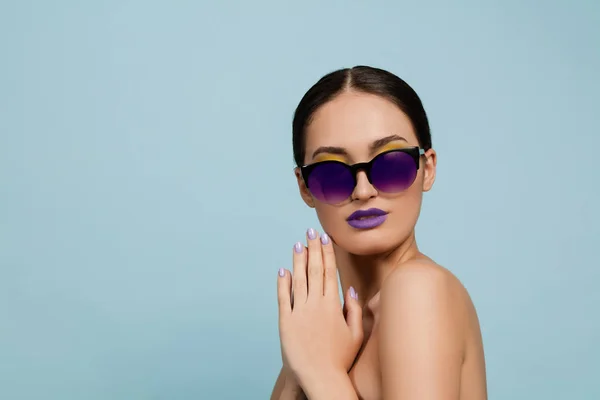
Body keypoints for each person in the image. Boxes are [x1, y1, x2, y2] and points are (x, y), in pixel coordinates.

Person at [270, 65, 487, 400]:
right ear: (305, 187)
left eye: (391, 164)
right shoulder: (318, 333)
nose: (363, 190)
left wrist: (322, 373)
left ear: (426, 169)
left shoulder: (418, 289)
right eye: (332, 172)